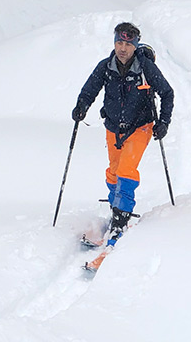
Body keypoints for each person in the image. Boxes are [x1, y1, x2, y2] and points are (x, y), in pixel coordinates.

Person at [71, 22, 174, 245]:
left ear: (135, 46)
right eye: (119, 42)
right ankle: (116, 210)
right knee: (114, 172)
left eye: (128, 44)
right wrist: (81, 106)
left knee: (126, 170)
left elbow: (167, 93)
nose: (123, 48)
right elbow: (90, 89)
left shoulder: (146, 67)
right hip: (113, 127)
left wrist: (163, 122)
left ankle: (120, 221)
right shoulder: (106, 66)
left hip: (141, 127)